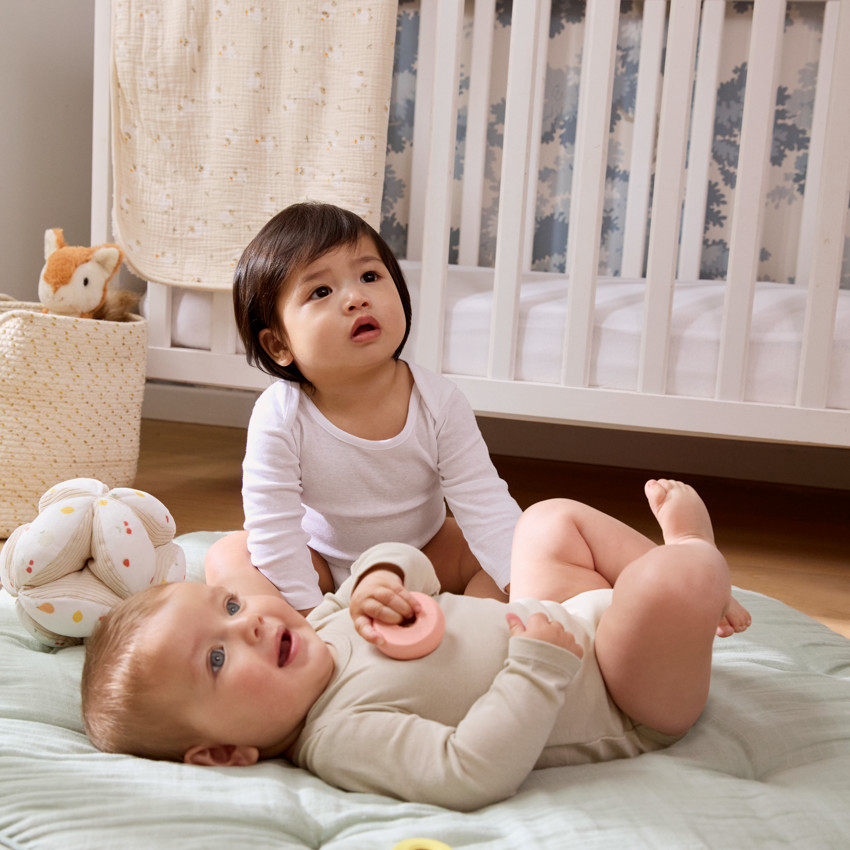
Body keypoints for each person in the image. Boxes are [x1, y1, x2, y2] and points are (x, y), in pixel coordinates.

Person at [81, 479, 748, 811]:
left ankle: (691, 589)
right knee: (669, 582)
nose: (247, 623)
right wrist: (538, 669)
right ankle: (693, 557)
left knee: (548, 521)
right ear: (225, 753)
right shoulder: (341, 735)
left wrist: (382, 574)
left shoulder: (324, 626)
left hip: (551, 615)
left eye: (228, 605)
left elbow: (421, 576)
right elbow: (468, 770)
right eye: (218, 658)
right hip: (619, 691)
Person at [209, 201, 522, 614]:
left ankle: (469, 631)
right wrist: (306, 610)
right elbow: (274, 526)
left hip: (423, 555)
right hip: (320, 560)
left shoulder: (439, 402)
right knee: (230, 555)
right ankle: (305, 634)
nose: (356, 298)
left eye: (370, 276)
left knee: (515, 549)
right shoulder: (279, 415)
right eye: (321, 291)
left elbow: (484, 502)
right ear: (279, 345)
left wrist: (521, 578)